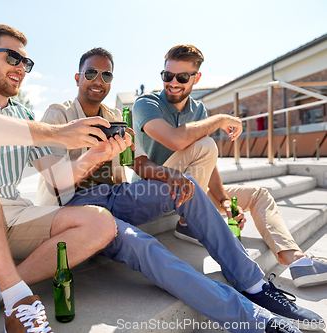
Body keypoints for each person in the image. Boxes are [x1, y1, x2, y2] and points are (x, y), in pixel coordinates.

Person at [36, 47, 323, 333]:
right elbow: (56, 180)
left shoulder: (114, 115)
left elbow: (138, 162)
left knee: (189, 188)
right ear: (77, 78)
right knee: (142, 244)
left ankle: (255, 285)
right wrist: (96, 154)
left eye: (106, 74)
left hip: (115, 194)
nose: (98, 79)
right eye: (90, 73)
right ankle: (256, 321)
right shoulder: (59, 114)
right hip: (77, 208)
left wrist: (172, 176)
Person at [0, 25, 134, 333]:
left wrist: (96, 156)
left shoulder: (23, 116)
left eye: (26, 63)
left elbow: (58, 179)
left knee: (101, 223)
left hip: (10, 218)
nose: (22, 68)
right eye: (13, 58)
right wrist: (58, 132)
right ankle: (18, 299)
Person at [132, 44, 327, 289]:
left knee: (258, 195)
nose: (172, 82)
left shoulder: (198, 110)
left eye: (181, 77)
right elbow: (175, 139)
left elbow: (205, 160)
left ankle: (296, 261)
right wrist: (221, 119)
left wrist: (223, 199)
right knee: (206, 143)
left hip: (188, 191)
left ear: (196, 77)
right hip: (153, 191)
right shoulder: (145, 104)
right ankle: (188, 223)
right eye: (167, 75)